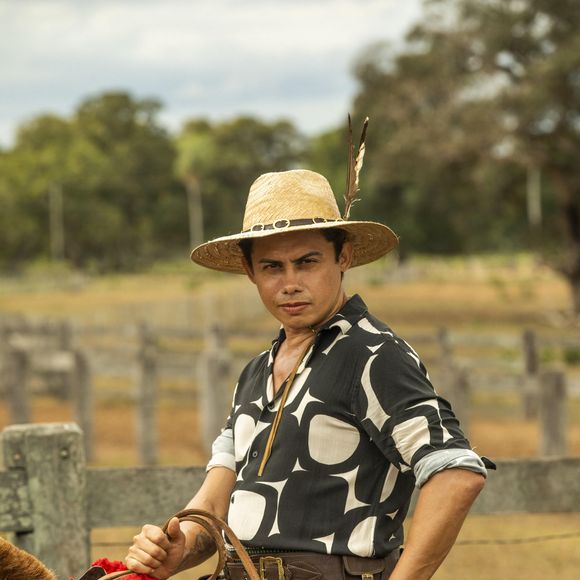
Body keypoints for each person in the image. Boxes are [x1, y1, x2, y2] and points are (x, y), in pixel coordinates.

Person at [126, 165, 492, 580]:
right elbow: (213, 506)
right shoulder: (255, 372)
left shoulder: (371, 355)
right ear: (250, 272)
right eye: (271, 267)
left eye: (307, 262)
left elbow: (456, 472)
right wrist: (179, 546)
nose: (291, 283)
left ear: (344, 257)